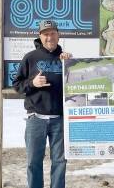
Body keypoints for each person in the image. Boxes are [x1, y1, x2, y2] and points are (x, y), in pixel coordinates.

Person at [13, 20, 71, 188]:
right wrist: (33, 83)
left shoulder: (65, 58)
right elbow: (17, 85)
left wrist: (69, 63)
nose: (49, 37)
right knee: (33, 162)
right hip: (35, 118)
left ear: (58, 35)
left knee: (60, 162)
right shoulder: (30, 58)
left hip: (59, 119)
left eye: (53, 33)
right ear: (40, 36)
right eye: (45, 34)